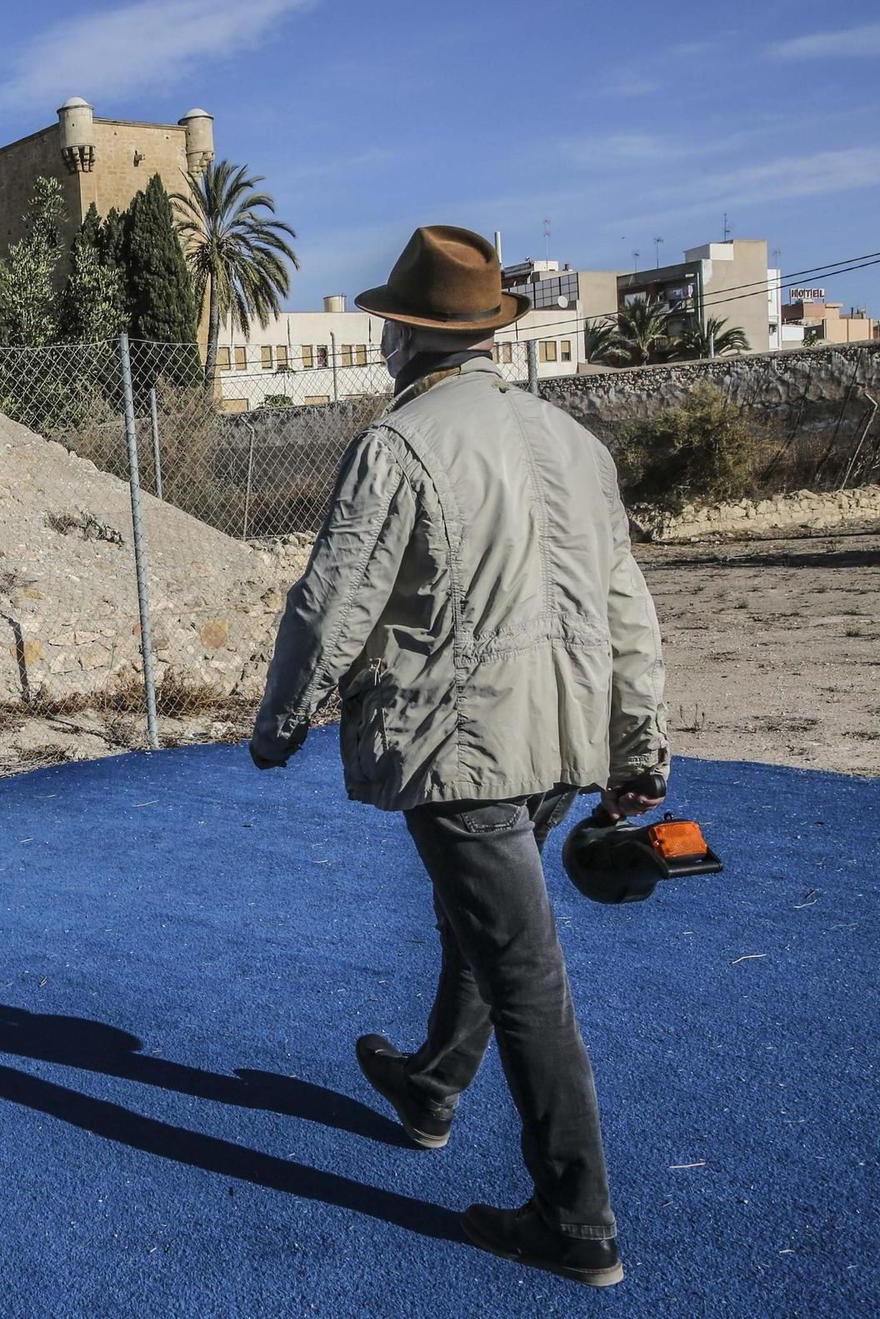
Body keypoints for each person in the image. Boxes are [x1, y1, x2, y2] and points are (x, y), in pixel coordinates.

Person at [248, 225, 669, 1287]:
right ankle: (432, 1081)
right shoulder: (574, 444)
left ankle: (576, 1219)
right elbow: (628, 610)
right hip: (559, 733)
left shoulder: (398, 444)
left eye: (388, 323)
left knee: (521, 967)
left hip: (460, 741)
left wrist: (281, 720)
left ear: (405, 333)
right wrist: (637, 744)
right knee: (480, 918)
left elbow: (329, 599)